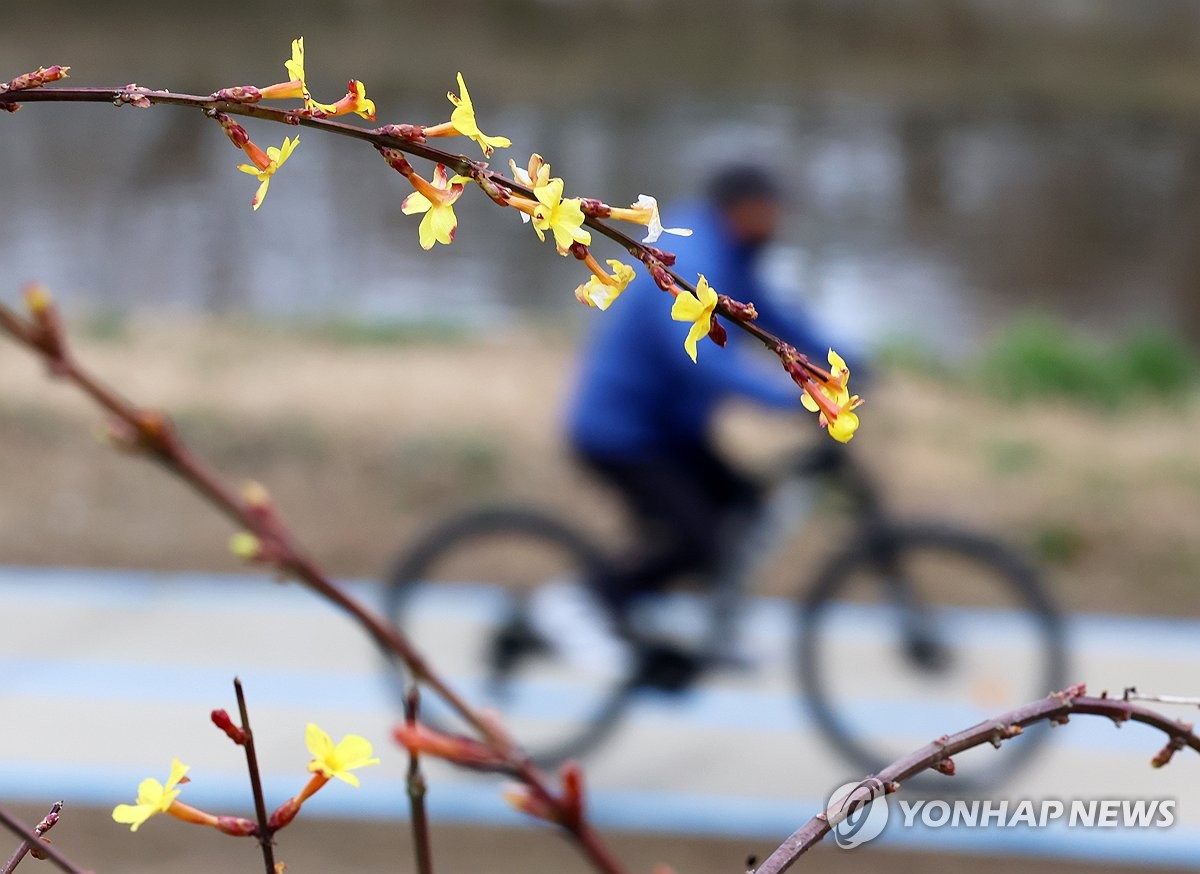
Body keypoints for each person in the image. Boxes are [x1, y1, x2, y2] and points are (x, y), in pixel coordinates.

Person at [533, 164, 846, 673]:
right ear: (743, 209)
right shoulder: (698, 253)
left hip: (671, 430)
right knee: (696, 538)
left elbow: (772, 315)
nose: (778, 223)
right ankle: (575, 606)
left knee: (744, 505)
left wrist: (844, 360)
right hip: (624, 432)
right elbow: (694, 354)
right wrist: (788, 398)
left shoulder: (734, 255)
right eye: (771, 212)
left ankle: (716, 630)